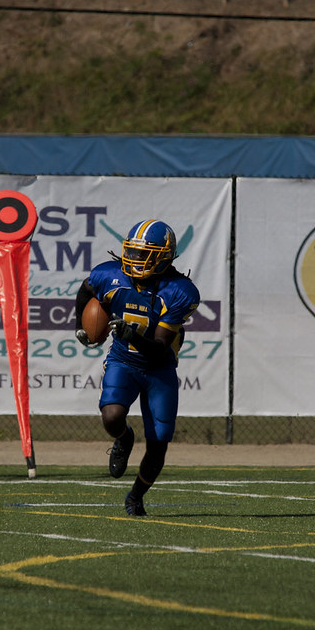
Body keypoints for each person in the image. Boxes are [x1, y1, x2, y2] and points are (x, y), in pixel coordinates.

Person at [74, 219, 200, 516]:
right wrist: (80, 324)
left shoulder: (179, 291)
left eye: (144, 254)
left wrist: (132, 334)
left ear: (163, 256)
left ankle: (135, 496)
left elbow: (158, 347)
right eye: (132, 252)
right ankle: (124, 438)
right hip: (123, 360)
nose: (134, 259)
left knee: (158, 445)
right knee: (111, 415)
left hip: (159, 368)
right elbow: (86, 289)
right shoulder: (109, 275)